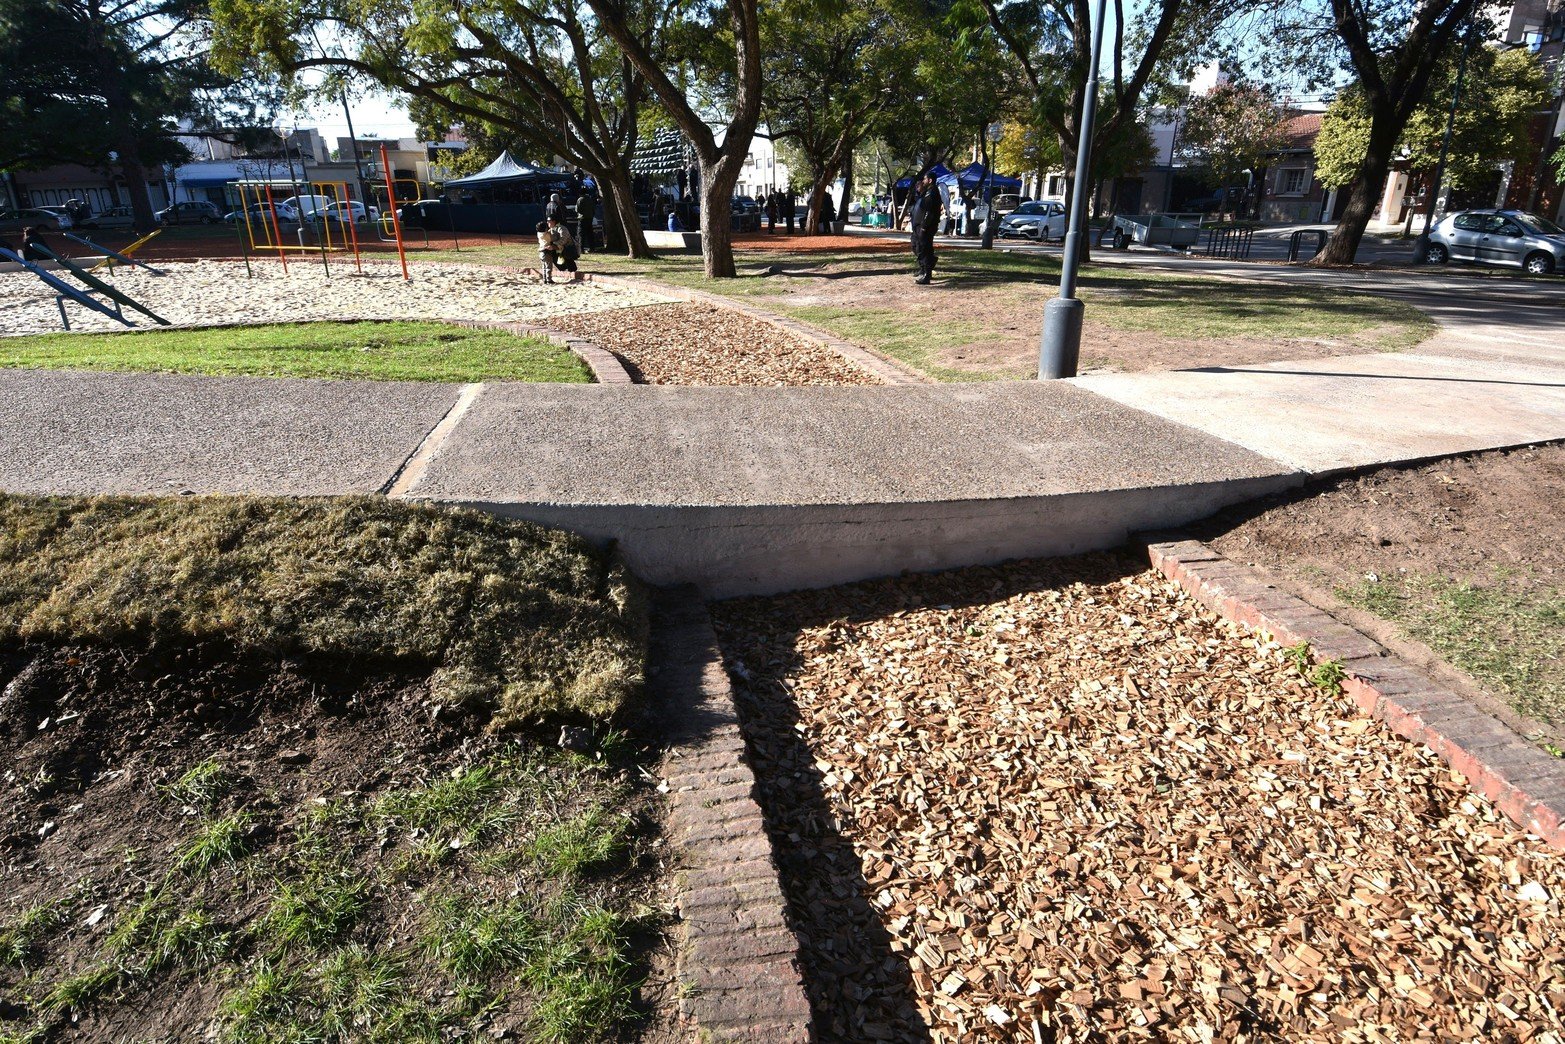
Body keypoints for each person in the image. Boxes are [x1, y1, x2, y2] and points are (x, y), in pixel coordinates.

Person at [909, 177, 942, 284]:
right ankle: (926, 266)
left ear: (930, 180)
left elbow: (930, 211)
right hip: (917, 226)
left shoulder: (932, 192)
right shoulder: (925, 193)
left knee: (924, 249)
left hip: (925, 226)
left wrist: (924, 226)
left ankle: (927, 273)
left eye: (924, 179)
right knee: (916, 246)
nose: (923, 181)